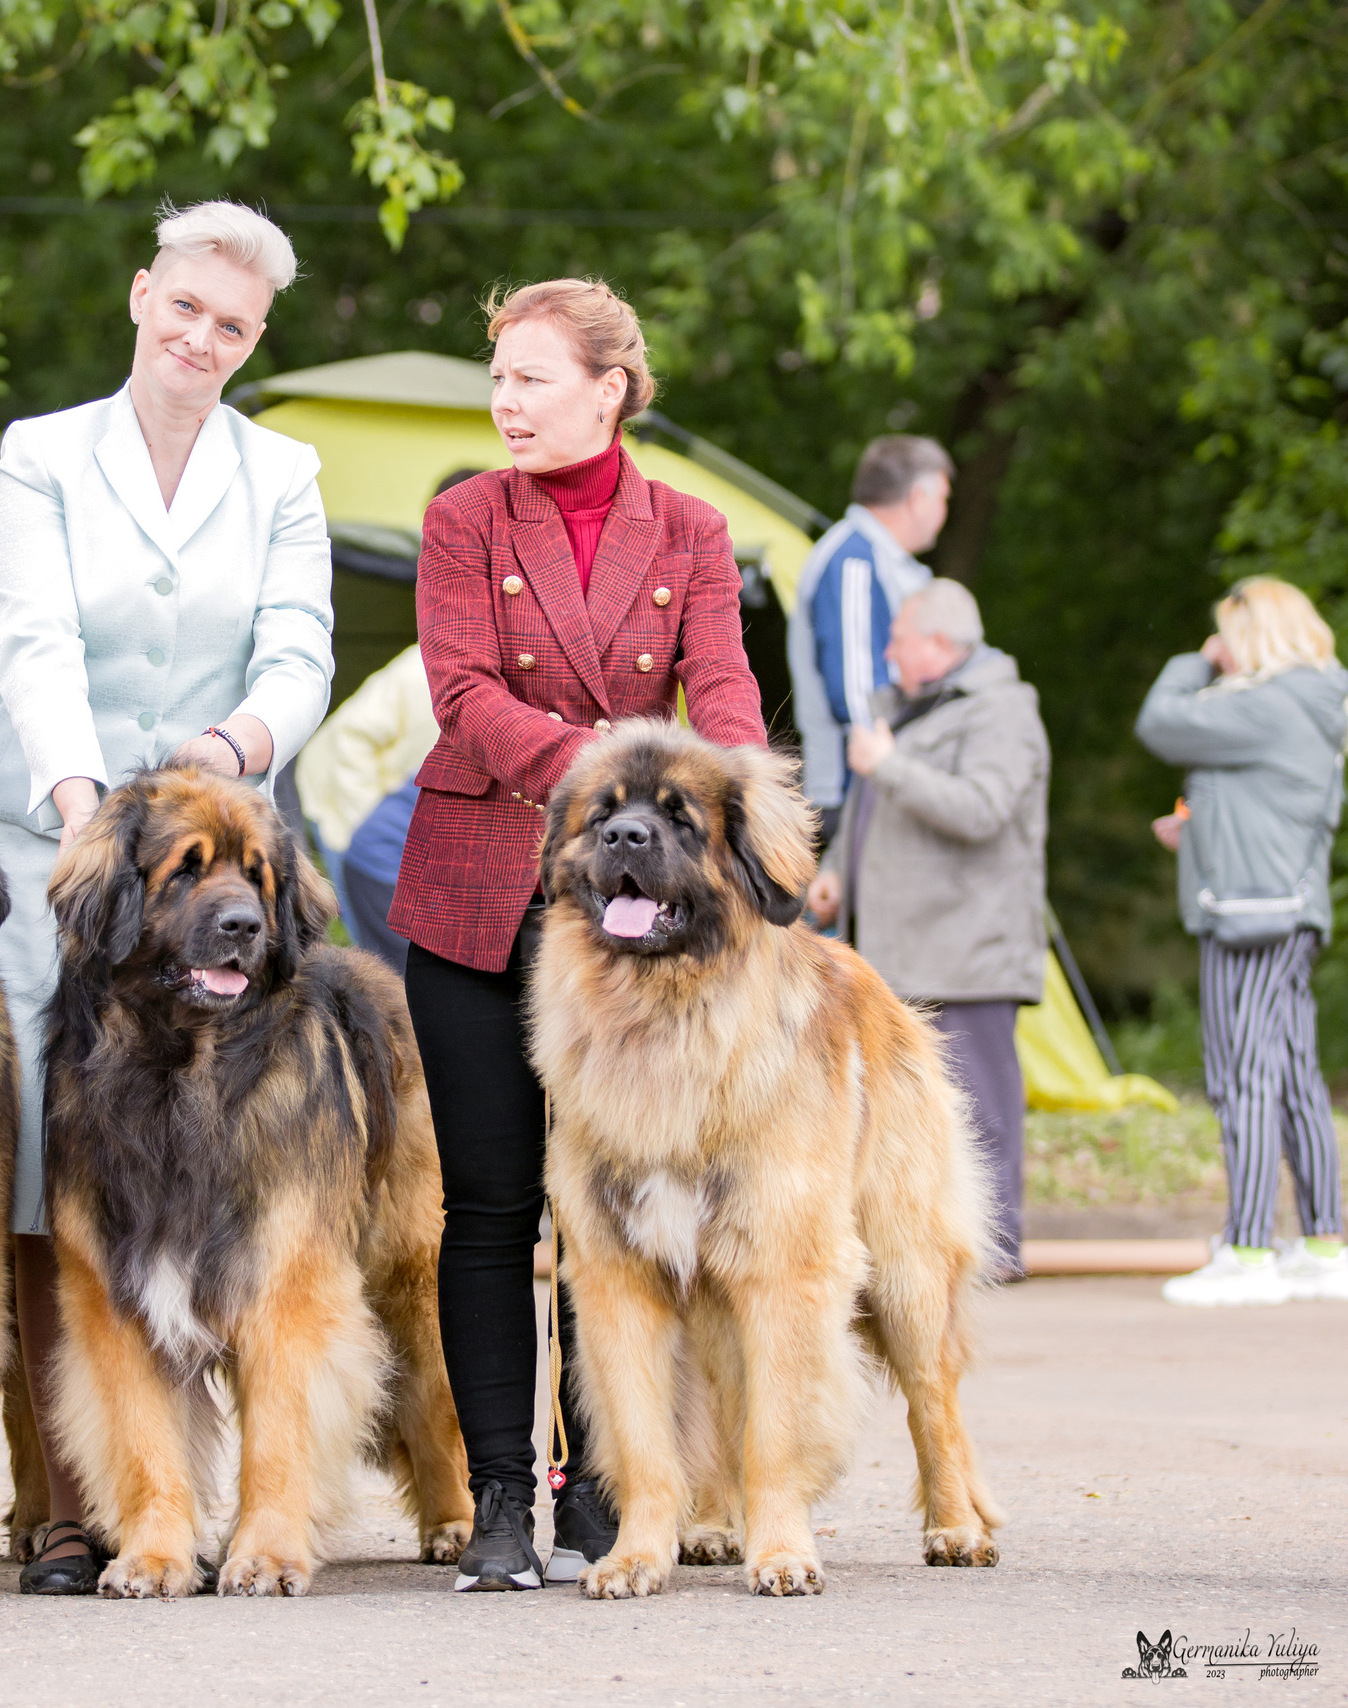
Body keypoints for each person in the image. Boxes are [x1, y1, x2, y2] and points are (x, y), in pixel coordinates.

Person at [0, 199, 334, 1595]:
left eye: (232, 325)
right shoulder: (44, 453)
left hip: (209, 845)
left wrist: (231, 751)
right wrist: (81, 817)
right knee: (44, 1168)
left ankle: (219, 1479)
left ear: (254, 339)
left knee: (217, 1164)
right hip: (47, 835)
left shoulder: (282, 472)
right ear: (139, 297)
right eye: (184, 308)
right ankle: (64, 1503)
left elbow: (299, 651)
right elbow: (34, 639)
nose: (200, 338)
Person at [386, 276, 766, 1590]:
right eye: (496, 378)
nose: (505, 401)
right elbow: (462, 691)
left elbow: (723, 686)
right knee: (490, 1208)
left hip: (635, 927)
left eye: (531, 379)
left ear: (609, 390)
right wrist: (602, 770)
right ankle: (500, 1495)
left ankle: (604, 1489)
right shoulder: (462, 518)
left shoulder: (692, 530)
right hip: (478, 893)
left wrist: (742, 798)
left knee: (602, 1215)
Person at [805, 579, 1049, 1278]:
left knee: (980, 1112)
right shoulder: (906, 709)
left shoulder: (1001, 711)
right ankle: (917, 1250)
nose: (888, 652)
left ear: (940, 643)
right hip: (901, 950)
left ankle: (994, 1255)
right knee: (901, 1114)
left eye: (900, 639)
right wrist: (835, 870)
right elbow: (874, 808)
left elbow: (982, 808)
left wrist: (890, 765)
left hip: (968, 949)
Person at [1135, 577, 1348, 1306]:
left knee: (1242, 1076)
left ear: (1254, 635)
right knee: (1292, 1075)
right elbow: (1267, 803)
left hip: (1250, 914)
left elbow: (1161, 722)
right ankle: (1323, 1244)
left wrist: (1194, 661)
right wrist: (1198, 832)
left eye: (1228, 636)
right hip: (1281, 905)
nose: (1221, 651)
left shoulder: (1268, 702)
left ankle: (1250, 1250)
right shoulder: (1310, 701)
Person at [786, 435, 953, 838]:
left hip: (877, 785)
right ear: (918, 497)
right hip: (854, 792)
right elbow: (855, 690)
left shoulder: (881, 560)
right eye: (944, 498)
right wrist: (898, 769)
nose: (945, 512)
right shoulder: (853, 561)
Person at [295, 643, 432, 966]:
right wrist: (365, 824)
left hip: (388, 803)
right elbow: (351, 738)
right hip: (341, 787)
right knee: (365, 897)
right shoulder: (422, 672)